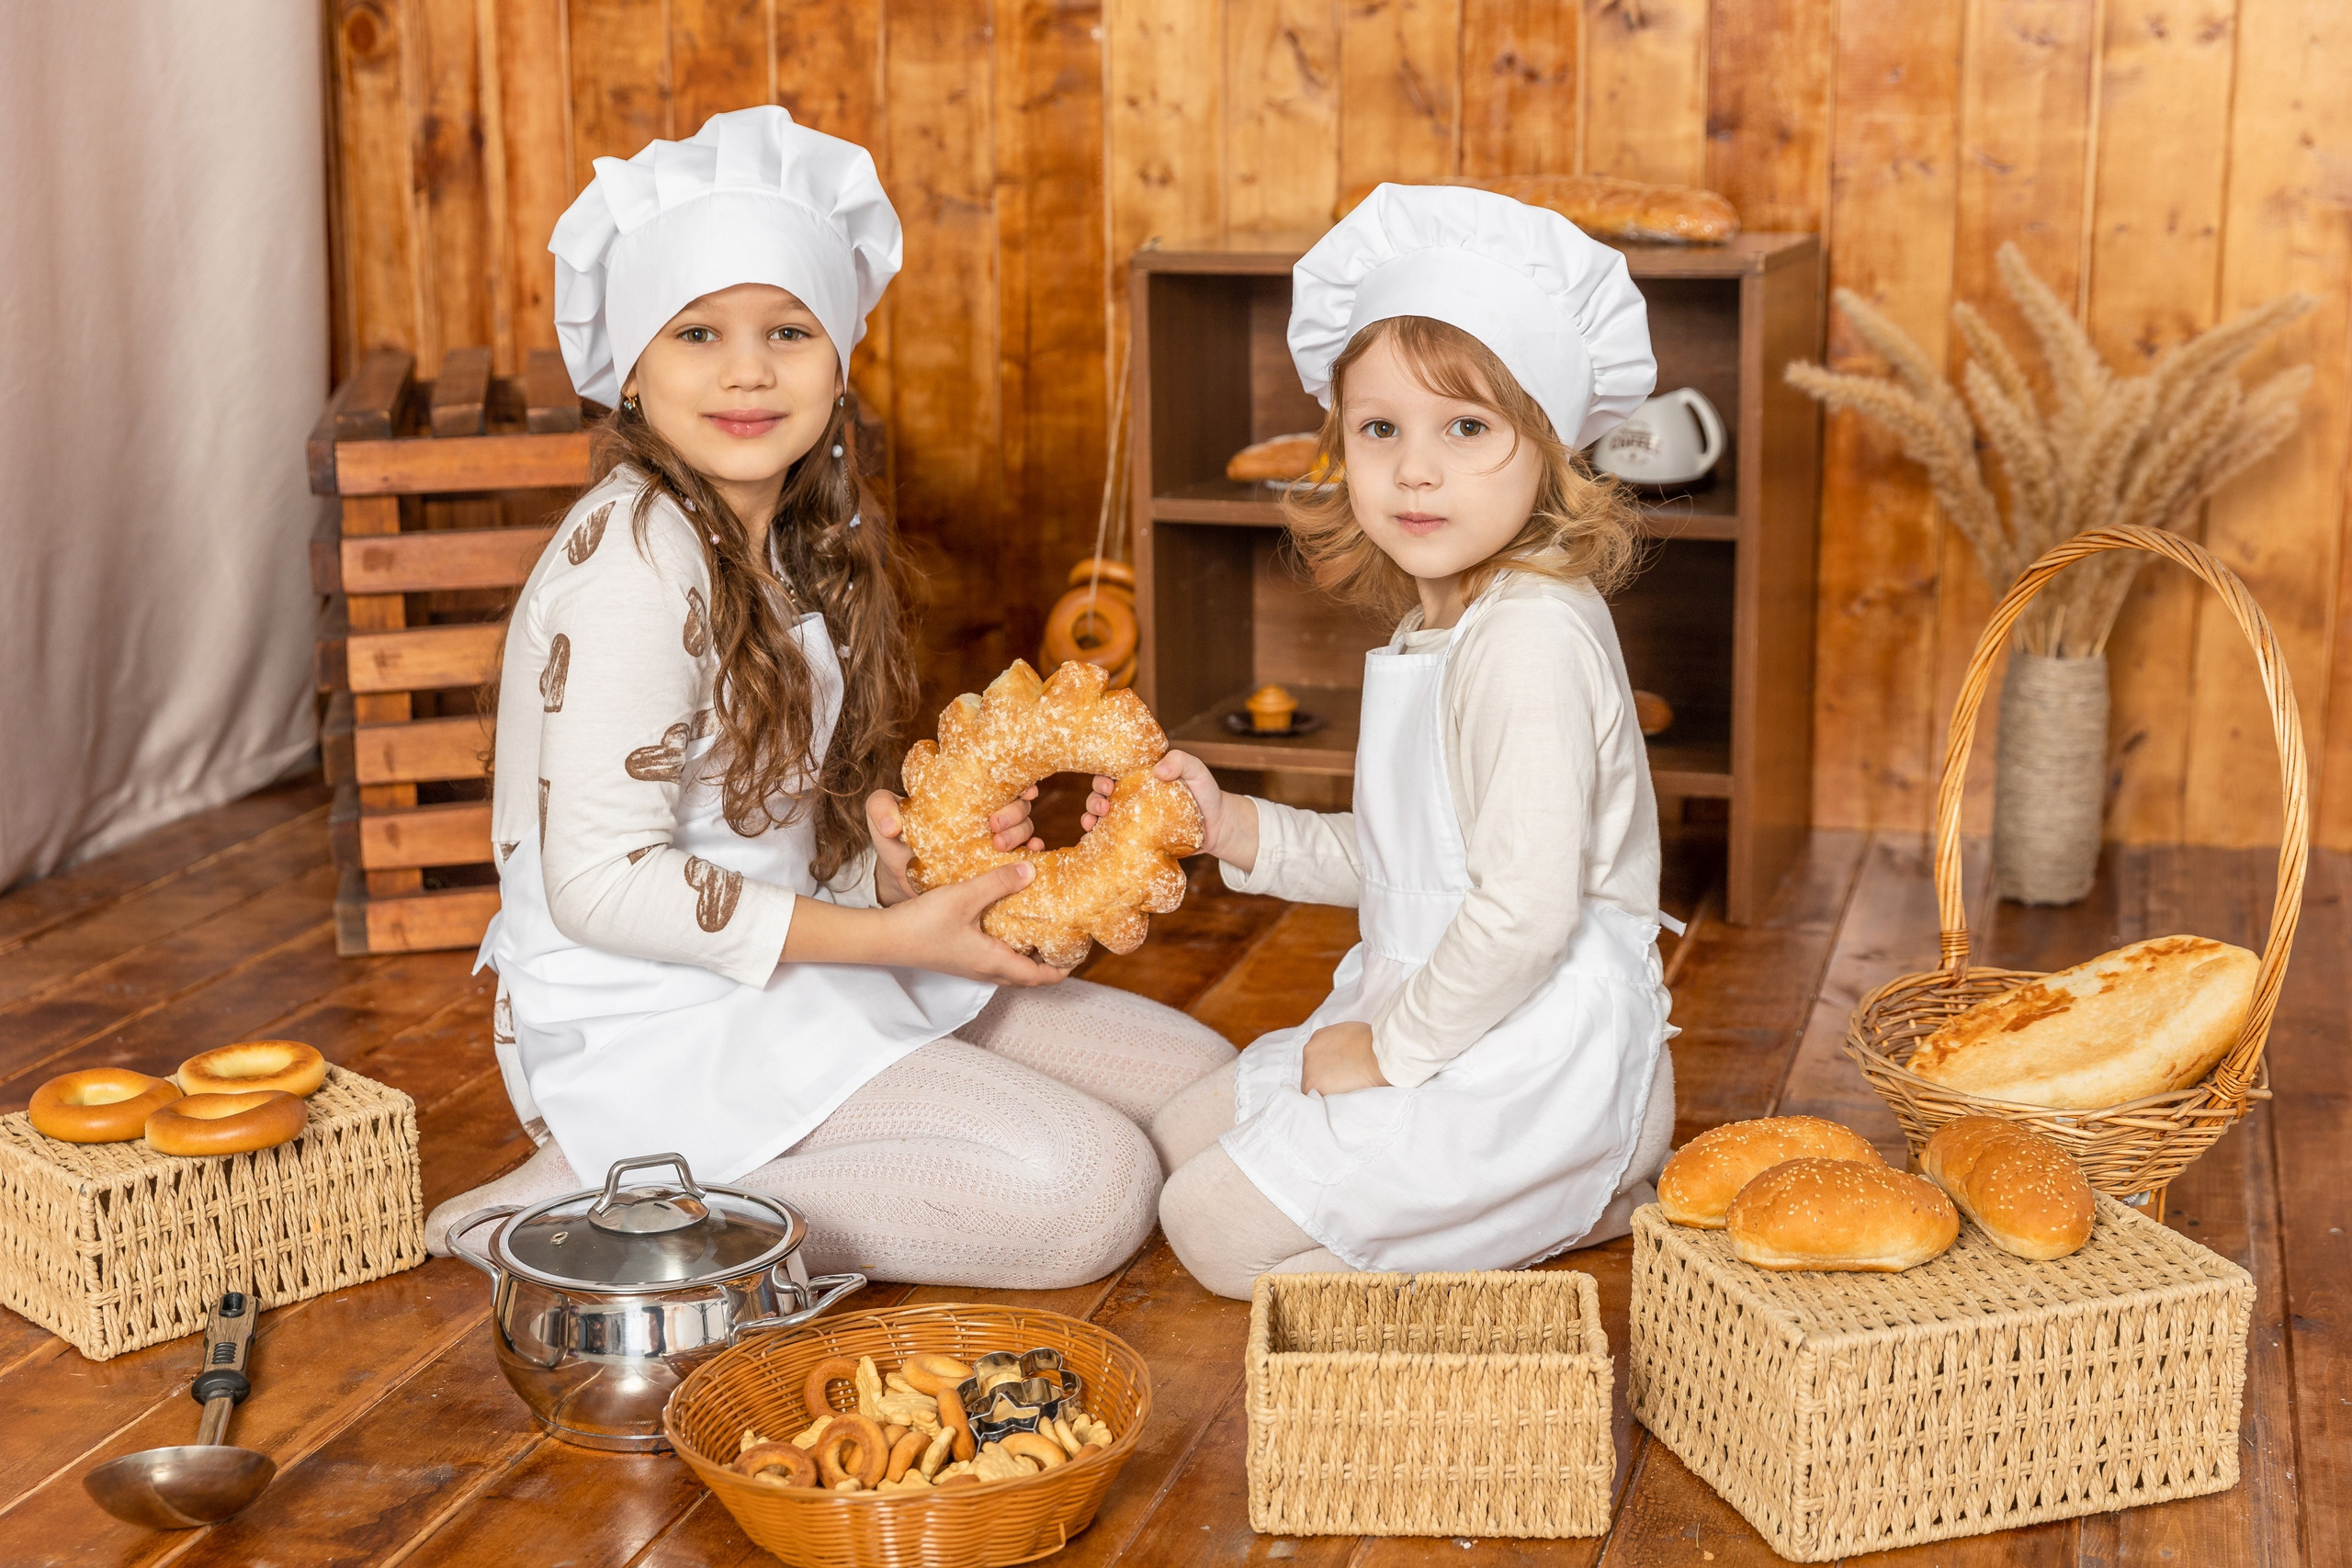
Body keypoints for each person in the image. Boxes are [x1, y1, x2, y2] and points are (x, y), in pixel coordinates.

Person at [424, 107, 1230, 1288]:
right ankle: (602, 1210)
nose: (747, 370)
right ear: (631, 374)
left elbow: (760, 832)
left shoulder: (788, 538)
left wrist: (889, 877)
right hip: (659, 1023)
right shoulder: (638, 564)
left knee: (1204, 1091)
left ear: (836, 360)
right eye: (697, 332)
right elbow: (599, 882)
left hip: (814, 956)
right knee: (1087, 1190)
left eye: (786, 331)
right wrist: (887, 936)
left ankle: (737, 1172)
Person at [1130, 184, 1681, 1297]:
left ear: (1549, 448)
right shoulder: (1445, 616)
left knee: (1209, 1228)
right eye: (1380, 429)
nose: (1413, 469)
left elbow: (1524, 913)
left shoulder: (1527, 638)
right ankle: (1540, 1187)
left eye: (1465, 428)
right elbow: (1414, 863)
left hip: (1537, 1043)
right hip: (1444, 992)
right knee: (1179, 1137)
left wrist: (1385, 1054)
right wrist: (1232, 825)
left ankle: (1592, 1177)